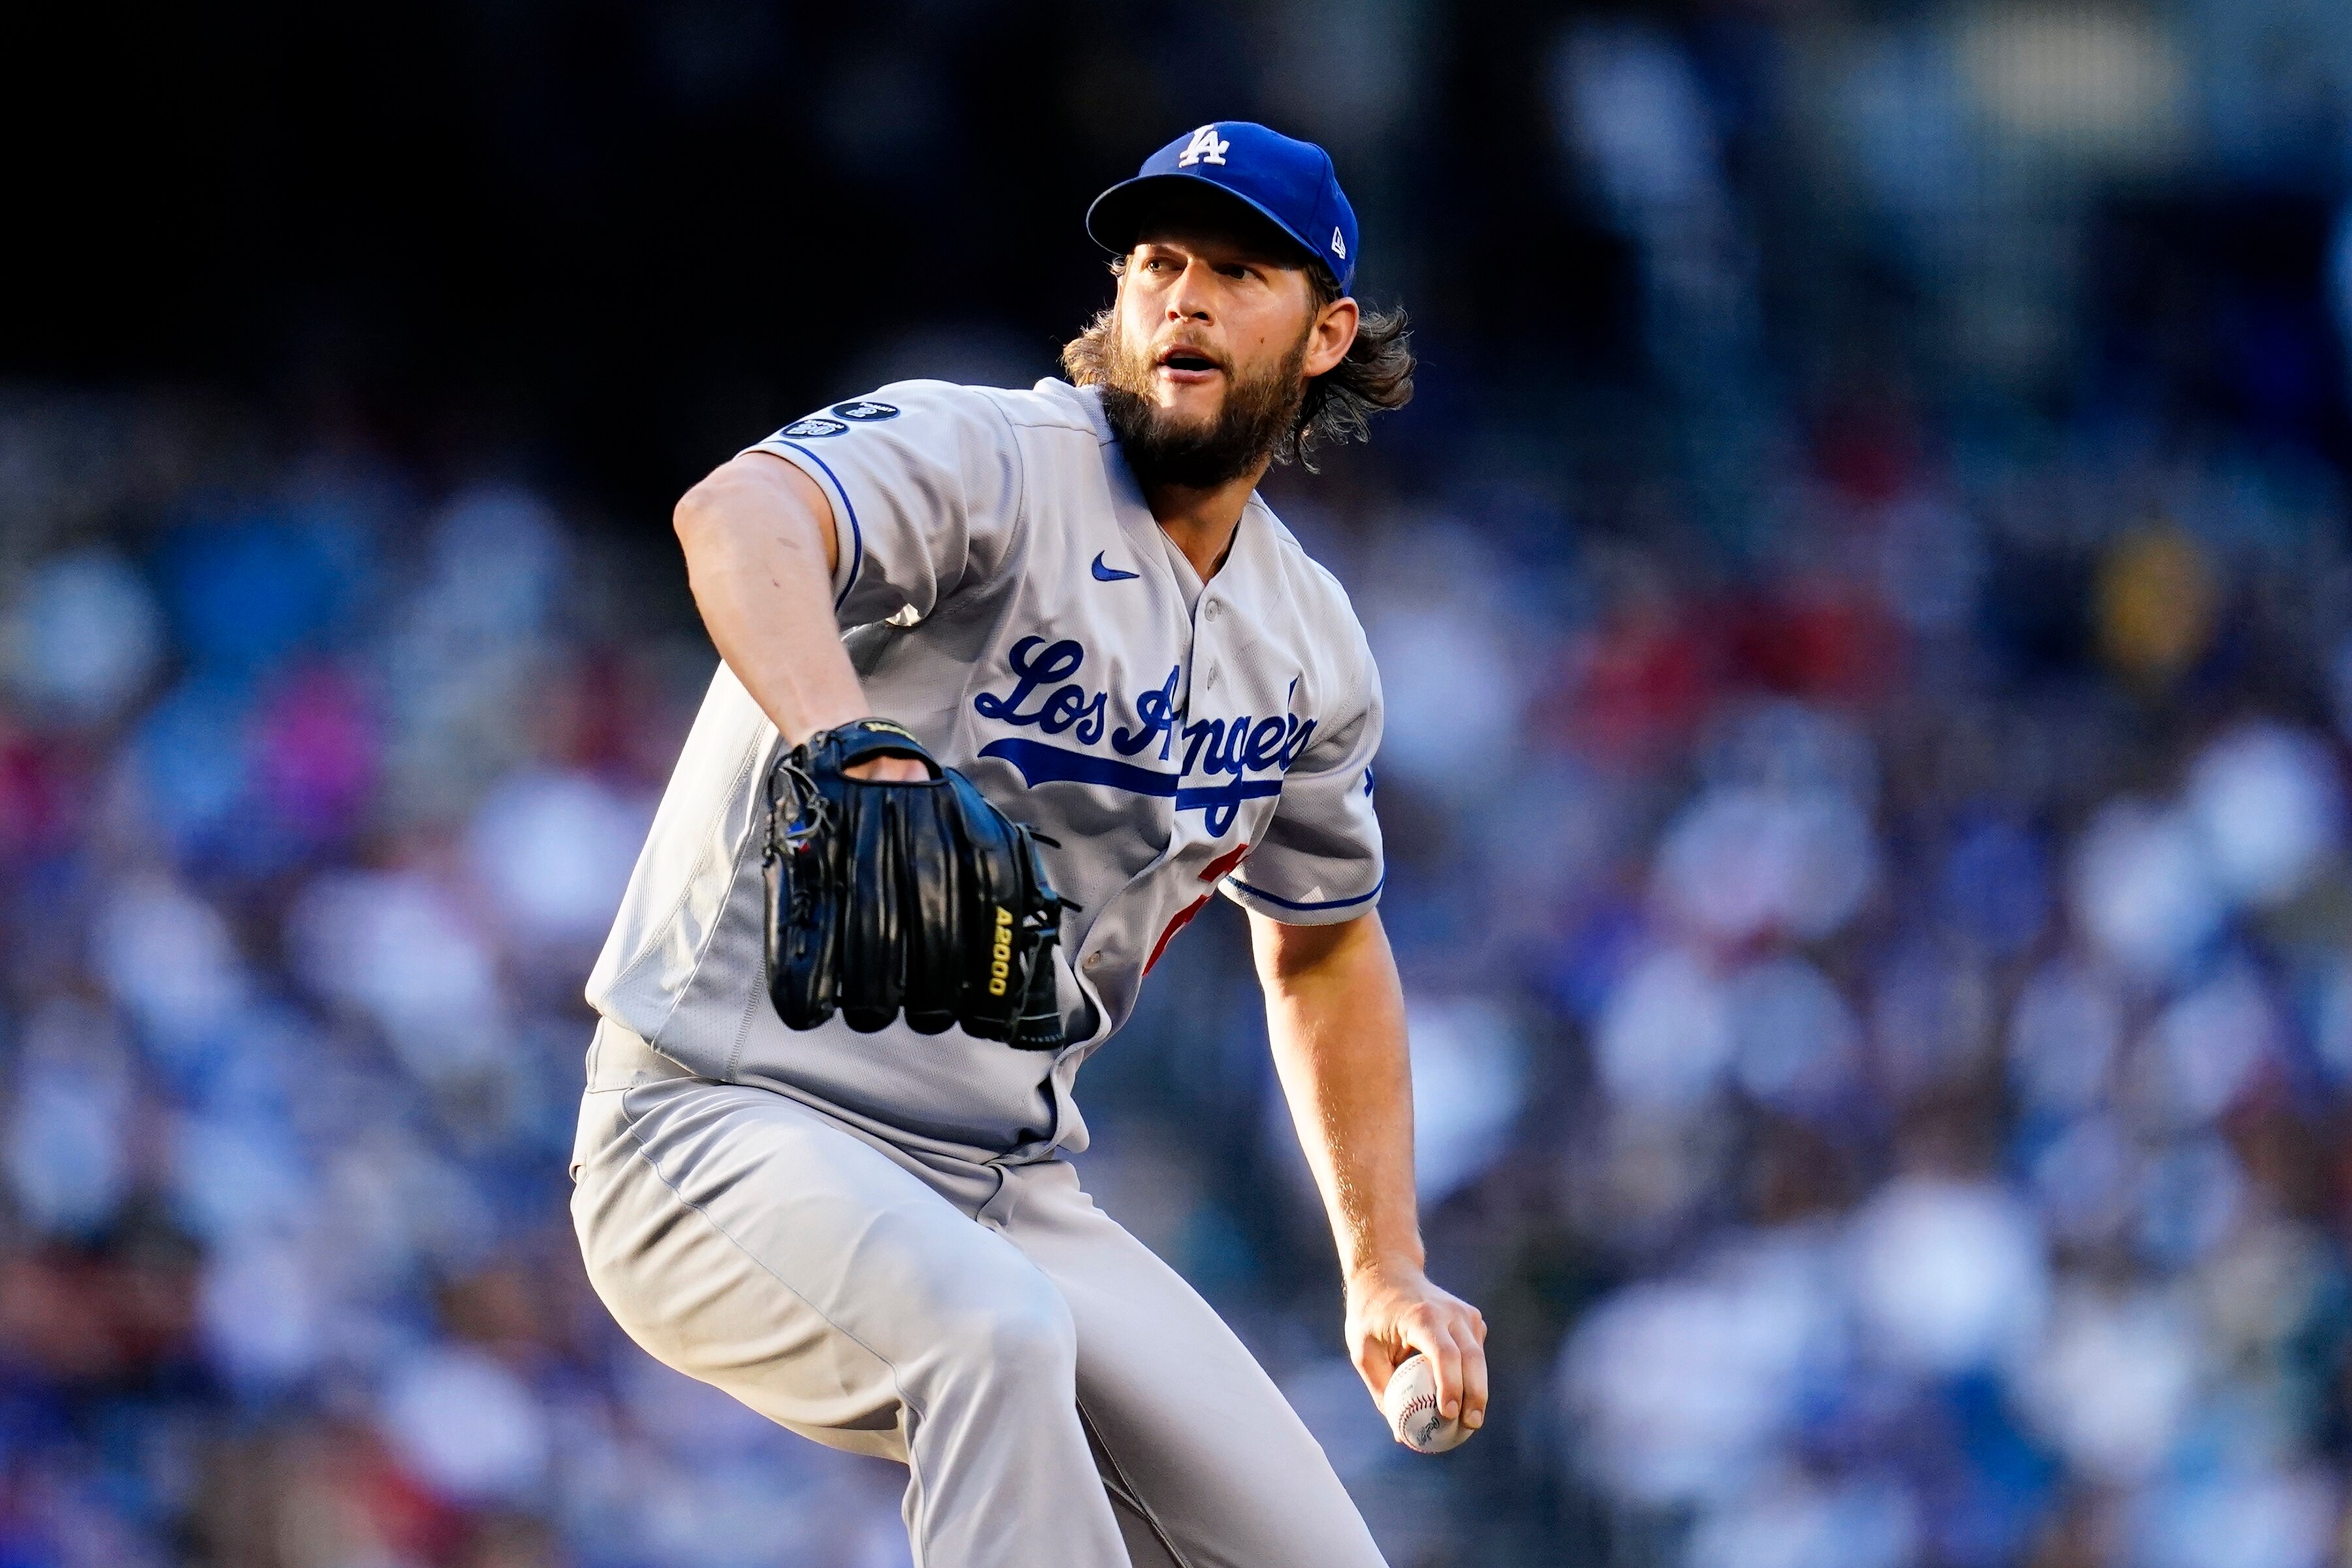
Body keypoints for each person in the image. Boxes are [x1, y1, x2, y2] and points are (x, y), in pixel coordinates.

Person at [570, 120, 1488, 1567]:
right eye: (1156, 261)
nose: (1182, 295)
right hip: (718, 1123)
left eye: (1239, 270)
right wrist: (842, 739)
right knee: (992, 1344)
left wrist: (1384, 1267)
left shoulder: (1309, 642)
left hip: (1004, 1185)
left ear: (1328, 334)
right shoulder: (993, 456)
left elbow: (1323, 950)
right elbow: (738, 510)